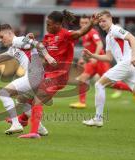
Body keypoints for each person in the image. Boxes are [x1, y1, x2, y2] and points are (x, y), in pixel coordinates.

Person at [17, 10, 100, 138]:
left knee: (37, 99)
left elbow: (80, 32)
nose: (47, 26)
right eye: (46, 23)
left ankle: (33, 132)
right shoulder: (47, 37)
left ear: (58, 24)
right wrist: (32, 43)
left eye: (49, 24)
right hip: (48, 75)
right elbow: (43, 54)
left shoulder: (66, 35)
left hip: (59, 76)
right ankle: (22, 120)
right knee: (26, 98)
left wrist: (91, 24)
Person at [0, 24, 56, 134]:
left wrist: (48, 56)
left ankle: (15, 124)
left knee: (3, 93)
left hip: (34, 75)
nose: (0, 40)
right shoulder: (13, 48)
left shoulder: (18, 40)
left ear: (9, 33)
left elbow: (38, 44)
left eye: (1, 37)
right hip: (37, 76)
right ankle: (40, 128)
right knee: (21, 101)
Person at [82, 10, 135, 127]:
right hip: (130, 67)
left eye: (104, 21)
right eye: (100, 21)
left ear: (111, 19)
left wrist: (134, 56)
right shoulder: (108, 36)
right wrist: (92, 55)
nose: (102, 23)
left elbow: (133, 39)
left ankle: (98, 118)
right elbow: (108, 57)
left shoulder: (116, 29)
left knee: (99, 85)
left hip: (127, 63)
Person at [69, 15, 130, 109]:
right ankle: (82, 103)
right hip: (92, 62)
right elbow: (88, 48)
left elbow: (100, 44)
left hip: (100, 61)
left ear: (90, 23)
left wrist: (95, 57)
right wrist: (83, 58)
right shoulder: (83, 34)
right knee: (82, 78)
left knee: (110, 84)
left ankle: (133, 89)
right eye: (82, 23)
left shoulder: (92, 32)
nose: (84, 25)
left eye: (86, 23)